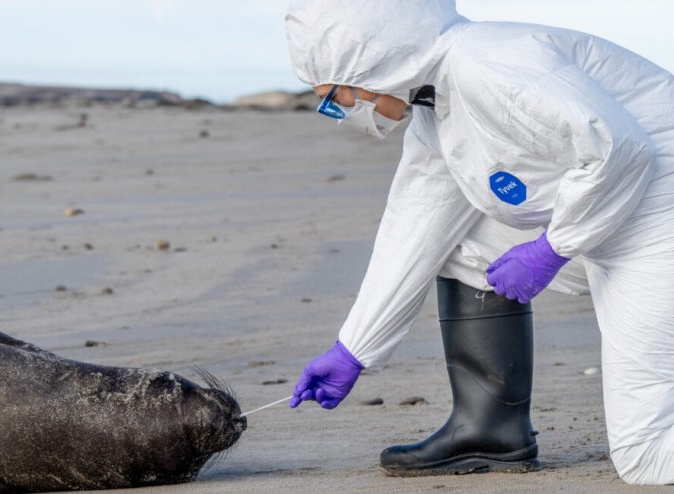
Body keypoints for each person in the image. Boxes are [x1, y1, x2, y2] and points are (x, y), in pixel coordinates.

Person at [284, 0, 674, 485]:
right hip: (617, 217)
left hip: (660, 216)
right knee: (460, 245)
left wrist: (551, 248)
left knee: (645, 453)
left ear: (372, 60)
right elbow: (414, 232)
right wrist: (352, 350)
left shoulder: (490, 65)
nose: (339, 110)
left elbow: (620, 151)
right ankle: (491, 429)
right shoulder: (438, 107)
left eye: (334, 94)